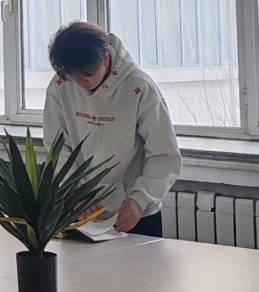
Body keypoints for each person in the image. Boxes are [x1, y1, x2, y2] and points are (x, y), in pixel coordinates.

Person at [43, 22, 180, 235]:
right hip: (80, 209)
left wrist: (140, 200)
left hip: (134, 213)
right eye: (73, 75)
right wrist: (76, 194)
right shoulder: (61, 85)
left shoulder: (140, 88)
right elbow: (57, 148)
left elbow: (164, 154)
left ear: (106, 60)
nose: (81, 81)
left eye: (88, 74)